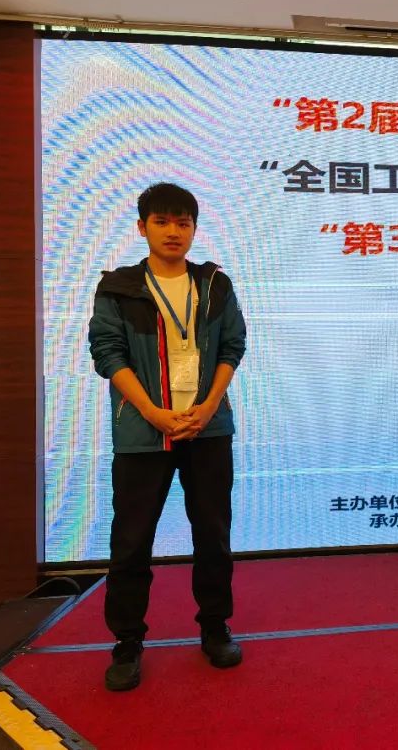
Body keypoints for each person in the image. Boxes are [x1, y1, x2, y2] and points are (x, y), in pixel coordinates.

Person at [88, 182, 247, 692]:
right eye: (162, 222)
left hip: (207, 429)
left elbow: (233, 346)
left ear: (194, 229)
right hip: (143, 432)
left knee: (213, 535)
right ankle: (127, 641)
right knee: (131, 541)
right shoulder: (119, 286)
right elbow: (107, 354)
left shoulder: (215, 284)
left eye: (183, 222)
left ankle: (215, 627)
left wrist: (209, 405)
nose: (173, 231)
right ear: (142, 227)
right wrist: (154, 412)